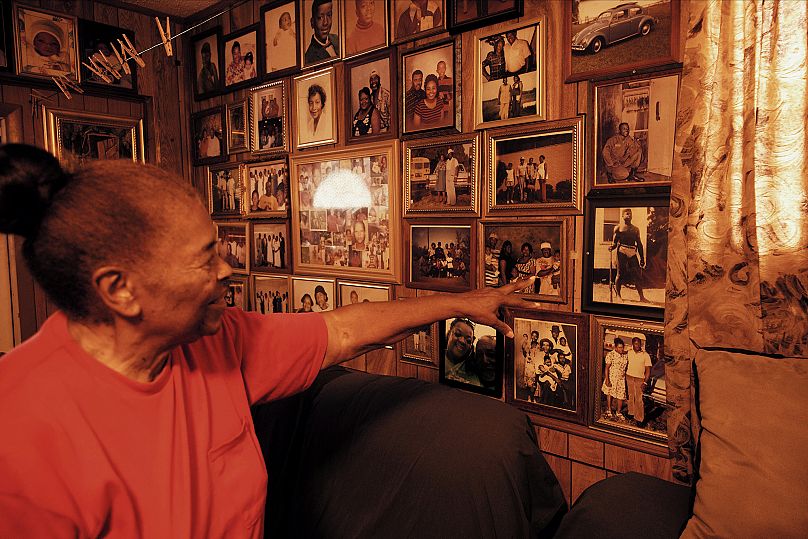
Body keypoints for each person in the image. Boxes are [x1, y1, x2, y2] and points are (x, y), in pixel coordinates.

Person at [0, 143, 539, 536]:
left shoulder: (217, 338)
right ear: (120, 290)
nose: (227, 269)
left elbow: (342, 330)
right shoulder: (21, 433)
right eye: (204, 259)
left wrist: (458, 303)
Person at [608, 208, 648, 302]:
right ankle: (618, 295)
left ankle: (642, 297)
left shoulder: (635, 229)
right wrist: (612, 247)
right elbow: (615, 243)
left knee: (637, 275)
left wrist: (642, 258)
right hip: (622, 250)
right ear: (622, 216)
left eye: (630, 214)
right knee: (620, 274)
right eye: (627, 213)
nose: (629, 215)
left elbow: (639, 244)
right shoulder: (618, 228)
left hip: (632, 251)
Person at [444, 318, 479, 386]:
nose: (462, 341)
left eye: (468, 340)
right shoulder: (435, 358)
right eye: (458, 334)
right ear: (449, 334)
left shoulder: (473, 370)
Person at [304, 0, 339, 65]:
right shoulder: (309, 58)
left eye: (329, 15)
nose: (325, 22)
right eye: (320, 18)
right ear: (312, 22)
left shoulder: (336, 39)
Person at [626, 337, 652, 423]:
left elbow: (648, 370)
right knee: (630, 396)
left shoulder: (645, 355)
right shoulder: (629, 353)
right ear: (633, 344)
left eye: (639, 343)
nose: (638, 345)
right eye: (636, 343)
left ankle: (639, 418)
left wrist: (645, 382)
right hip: (629, 377)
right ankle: (631, 413)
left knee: (639, 398)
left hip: (640, 379)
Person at [602, 338, 629, 420]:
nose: (621, 349)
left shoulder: (625, 355)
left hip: (621, 379)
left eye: (622, 347)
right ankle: (609, 410)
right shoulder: (610, 355)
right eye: (619, 347)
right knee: (610, 393)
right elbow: (607, 368)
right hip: (612, 377)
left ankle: (618, 412)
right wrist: (607, 380)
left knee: (621, 395)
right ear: (615, 347)